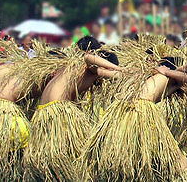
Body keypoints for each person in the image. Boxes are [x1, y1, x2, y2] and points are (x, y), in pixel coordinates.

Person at [24, 49, 121, 181]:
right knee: (79, 159)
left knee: (58, 160)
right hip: (58, 111)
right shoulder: (90, 68)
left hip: (43, 112)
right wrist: (122, 70)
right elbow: (89, 57)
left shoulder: (70, 69)